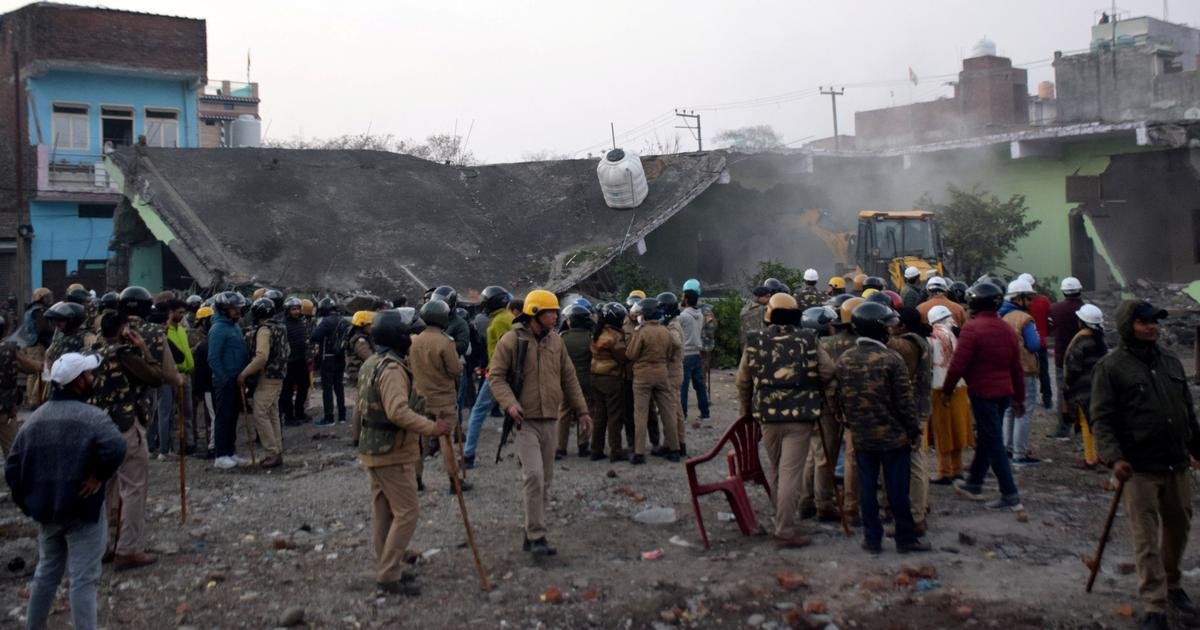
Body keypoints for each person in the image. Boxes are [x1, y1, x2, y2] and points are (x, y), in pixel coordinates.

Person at [1091, 301, 1200, 630]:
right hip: (1138, 467)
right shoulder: (1111, 367)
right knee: (1146, 537)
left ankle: (1172, 584)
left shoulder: (1170, 361)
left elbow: (1186, 410)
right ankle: (1155, 604)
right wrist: (1114, 457)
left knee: (1179, 528)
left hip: (1176, 464)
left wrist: (1197, 446)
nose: (1152, 327)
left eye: (1154, 322)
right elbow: (1102, 419)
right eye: (1144, 322)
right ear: (1129, 326)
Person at [6, 353, 127, 630]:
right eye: (88, 374)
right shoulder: (93, 417)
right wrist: (99, 476)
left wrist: (30, 504)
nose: (92, 377)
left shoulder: (35, 420)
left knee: (46, 573)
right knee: (84, 579)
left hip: (47, 512)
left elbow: (12, 468)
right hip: (84, 512)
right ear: (79, 381)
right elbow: (116, 447)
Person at [488, 290, 591, 555]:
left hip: (550, 421)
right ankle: (536, 536)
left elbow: (569, 378)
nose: (556, 316)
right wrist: (509, 404)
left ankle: (533, 530)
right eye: (550, 312)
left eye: (556, 311)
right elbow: (496, 377)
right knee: (533, 476)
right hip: (524, 422)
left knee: (545, 480)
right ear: (534, 313)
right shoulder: (511, 341)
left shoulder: (556, 342)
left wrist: (582, 411)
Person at [357, 309, 452, 596]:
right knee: (408, 512)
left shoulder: (373, 362)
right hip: (392, 451)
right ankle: (388, 575)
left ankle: (390, 566)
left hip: (374, 448)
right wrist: (433, 428)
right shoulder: (393, 369)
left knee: (384, 513)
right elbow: (397, 411)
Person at [832, 301, 929, 554]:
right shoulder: (891, 359)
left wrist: (845, 420)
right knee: (897, 490)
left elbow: (836, 396)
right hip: (893, 437)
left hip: (861, 435)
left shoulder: (845, 360)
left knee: (866, 488)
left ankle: (872, 539)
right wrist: (914, 430)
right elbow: (905, 401)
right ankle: (905, 539)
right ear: (879, 329)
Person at [738, 295, 834, 547]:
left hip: (768, 417)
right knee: (791, 472)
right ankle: (785, 529)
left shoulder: (755, 341)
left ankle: (780, 517)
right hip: (800, 417)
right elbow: (827, 372)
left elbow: (743, 381)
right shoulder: (809, 339)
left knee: (778, 469)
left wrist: (746, 413)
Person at [943, 281, 1025, 511]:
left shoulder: (972, 328)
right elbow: (1015, 367)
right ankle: (975, 483)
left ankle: (1010, 493)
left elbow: (958, 364)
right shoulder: (1006, 328)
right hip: (1004, 394)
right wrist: (1020, 398)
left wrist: (947, 390)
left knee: (994, 442)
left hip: (983, 394)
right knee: (989, 438)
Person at [91, 312, 163, 571]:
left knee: (103, 489)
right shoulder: (124, 354)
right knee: (133, 487)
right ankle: (128, 549)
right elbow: (156, 377)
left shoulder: (94, 352)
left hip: (99, 426)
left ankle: (102, 547)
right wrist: (143, 347)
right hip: (124, 425)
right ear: (123, 330)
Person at [410, 299, 468, 493]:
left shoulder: (414, 340)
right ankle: (454, 481)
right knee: (446, 441)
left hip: (420, 398)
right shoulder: (445, 342)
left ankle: (416, 479)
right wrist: (460, 366)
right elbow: (454, 370)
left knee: (421, 441)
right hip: (443, 400)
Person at [463, 289, 518, 468]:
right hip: (511, 372)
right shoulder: (508, 317)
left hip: (498, 373)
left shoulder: (500, 321)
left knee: (478, 412)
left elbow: (505, 349)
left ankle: (468, 454)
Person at [626, 297, 681, 464]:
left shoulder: (641, 332)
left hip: (643, 376)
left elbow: (631, 354)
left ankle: (639, 452)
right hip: (662, 373)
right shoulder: (666, 331)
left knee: (640, 414)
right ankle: (675, 449)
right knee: (668, 412)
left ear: (646, 315)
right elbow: (672, 352)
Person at [238, 298, 289, 468]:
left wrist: (244, 374)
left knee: (260, 412)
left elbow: (261, 357)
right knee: (272, 412)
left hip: (268, 376)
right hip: (279, 375)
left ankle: (272, 452)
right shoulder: (280, 327)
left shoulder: (264, 330)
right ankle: (277, 450)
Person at [927, 305, 973, 484]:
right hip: (960, 386)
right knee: (958, 428)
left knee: (942, 431)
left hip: (939, 388)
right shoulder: (959, 333)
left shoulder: (931, 336)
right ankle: (958, 468)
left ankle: (944, 471)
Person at [998, 278, 1042, 465]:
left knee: (1008, 410)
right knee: (1023, 411)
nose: (1031, 303)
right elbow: (1034, 344)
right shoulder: (1024, 319)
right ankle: (1019, 453)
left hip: (1005, 369)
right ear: (1019, 299)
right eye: (1029, 299)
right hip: (1024, 370)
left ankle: (1007, 450)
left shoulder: (1000, 316)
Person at [207, 292, 249, 470]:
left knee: (232, 418)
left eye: (238, 308)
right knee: (223, 418)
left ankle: (231, 452)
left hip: (236, 379)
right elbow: (213, 358)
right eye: (234, 308)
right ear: (224, 309)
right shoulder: (218, 329)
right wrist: (224, 379)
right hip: (225, 381)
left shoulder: (234, 326)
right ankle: (220, 455)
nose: (238, 311)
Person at [1063, 304, 1107, 470]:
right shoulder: (1099, 340)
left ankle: (1090, 458)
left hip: (1082, 389)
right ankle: (1101, 455)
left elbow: (1073, 367)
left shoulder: (1081, 341)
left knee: (1085, 423)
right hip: (1098, 387)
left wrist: (1067, 385)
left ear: (1082, 322)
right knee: (1097, 422)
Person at [1048, 276, 1086, 439]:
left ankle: (1063, 429)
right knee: (1083, 393)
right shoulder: (1085, 309)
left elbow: (1049, 329)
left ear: (1063, 291)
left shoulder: (1054, 309)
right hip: (1083, 358)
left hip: (1061, 357)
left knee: (1063, 393)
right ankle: (1081, 431)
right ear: (1079, 290)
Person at [589, 302, 628, 461]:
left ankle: (596, 450)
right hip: (611, 378)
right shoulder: (614, 336)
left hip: (595, 376)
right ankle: (616, 451)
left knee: (599, 416)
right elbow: (623, 357)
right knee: (614, 416)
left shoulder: (596, 333)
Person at [556, 304, 593, 459]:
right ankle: (583, 445)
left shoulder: (562, 337)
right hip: (586, 380)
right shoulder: (590, 337)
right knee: (584, 412)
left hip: (566, 382)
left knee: (563, 413)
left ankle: (561, 447)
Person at [159, 299, 194, 456]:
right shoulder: (165, 332)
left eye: (183, 312)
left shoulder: (181, 330)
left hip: (186, 375)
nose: (182, 315)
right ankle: (169, 446)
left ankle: (188, 444)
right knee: (170, 412)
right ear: (171, 312)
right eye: (180, 312)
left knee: (187, 411)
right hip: (173, 375)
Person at [310, 298, 350, 426]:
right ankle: (342, 416)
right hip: (340, 358)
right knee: (339, 387)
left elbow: (315, 336)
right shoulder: (343, 320)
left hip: (327, 358)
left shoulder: (326, 321)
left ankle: (329, 418)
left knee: (327, 389)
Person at [1017, 274, 1053, 410]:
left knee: (1025, 371)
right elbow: (1050, 320)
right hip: (1041, 342)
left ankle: (1024, 398)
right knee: (1044, 372)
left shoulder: (1020, 304)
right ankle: (1047, 399)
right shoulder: (1044, 300)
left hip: (1024, 344)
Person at [658, 292, 687, 457]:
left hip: (673, 371)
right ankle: (673, 442)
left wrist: (662, 334)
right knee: (675, 409)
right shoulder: (672, 322)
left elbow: (675, 341)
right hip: (675, 370)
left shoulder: (672, 326)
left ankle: (675, 444)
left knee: (672, 410)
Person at [679, 289, 710, 422]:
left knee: (683, 387)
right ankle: (705, 413)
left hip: (685, 354)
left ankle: (683, 415)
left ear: (686, 299)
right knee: (700, 386)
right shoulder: (701, 315)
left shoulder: (683, 316)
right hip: (697, 354)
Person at [280, 297, 311, 425]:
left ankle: (299, 411)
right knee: (287, 390)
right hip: (289, 362)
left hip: (301, 360)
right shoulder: (283, 324)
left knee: (305, 386)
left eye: (298, 309)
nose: (297, 311)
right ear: (288, 310)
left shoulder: (300, 322)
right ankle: (289, 416)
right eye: (294, 309)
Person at [189, 306, 215, 457]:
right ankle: (193, 441)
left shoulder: (210, 335)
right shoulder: (191, 334)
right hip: (194, 377)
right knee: (192, 412)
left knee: (209, 414)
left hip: (205, 377)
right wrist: (197, 348)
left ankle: (209, 441)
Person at [741, 278, 788, 349]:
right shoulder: (759, 310)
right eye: (766, 297)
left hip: (749, 344)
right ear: (758, 297)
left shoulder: (746, 308)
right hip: (755, 344)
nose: (769, 299)